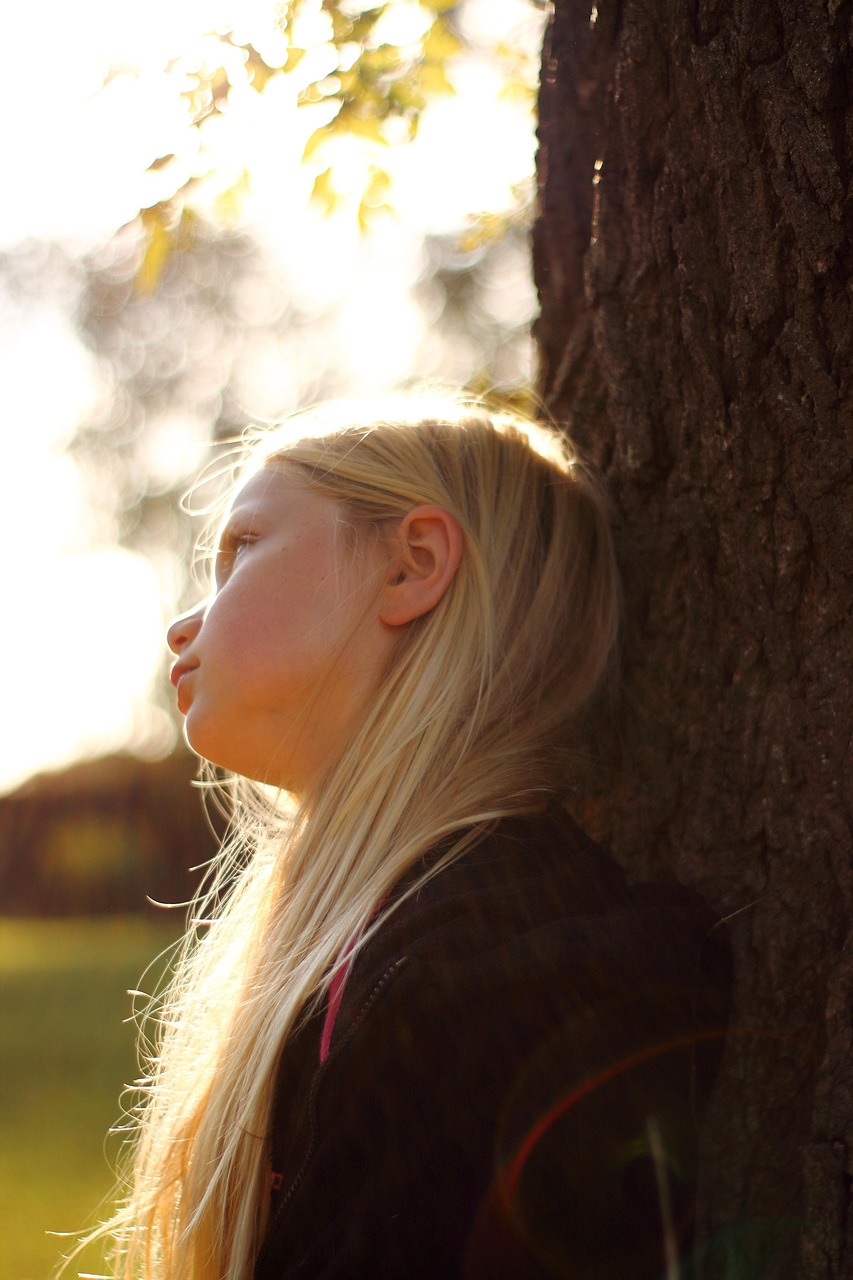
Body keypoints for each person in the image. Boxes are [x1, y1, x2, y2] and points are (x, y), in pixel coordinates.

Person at [87, 396, 730, 1279]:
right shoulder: (390, 947)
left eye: (242, 548)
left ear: (412, 566)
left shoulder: (481, 984)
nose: (183, 626)